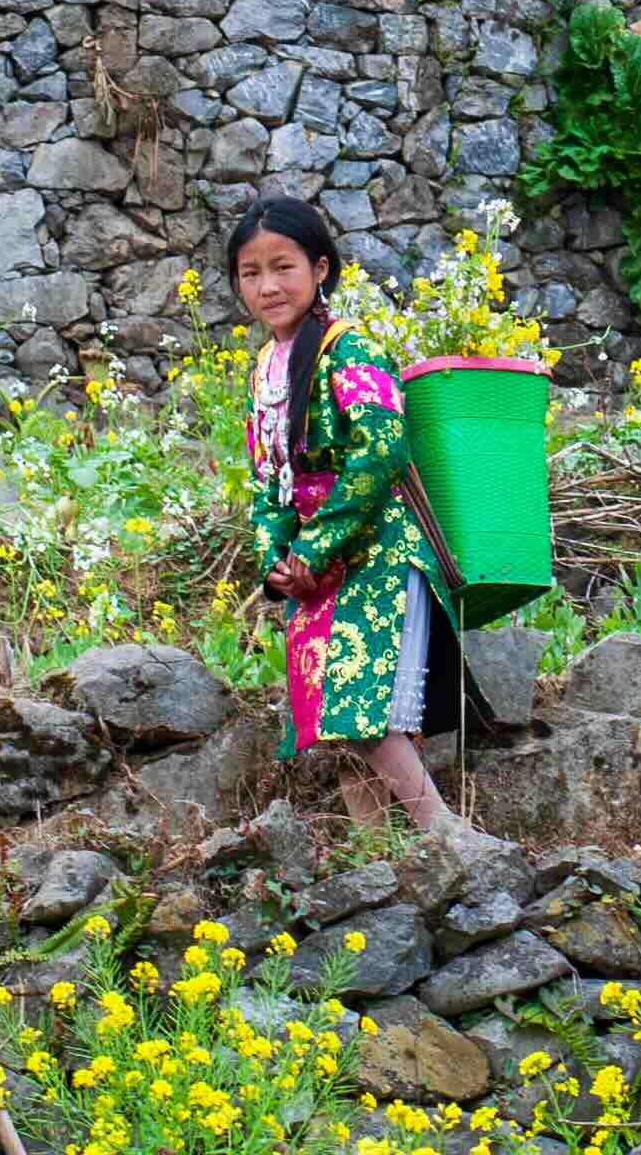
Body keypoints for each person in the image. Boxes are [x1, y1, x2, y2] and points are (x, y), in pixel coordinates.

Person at [229, 191, 478, 840]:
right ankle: (377, 860)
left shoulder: (351, 351)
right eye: (251, 273)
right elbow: (266, 479)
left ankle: (447, 834)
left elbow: (383, 448)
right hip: (315, 569)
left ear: (319, 268)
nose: (268, 285)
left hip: (377, 553)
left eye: (282, 266)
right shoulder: (266, 370)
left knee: (357, 709)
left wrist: (315, 546)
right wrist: (278, 561)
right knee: (334, 726)